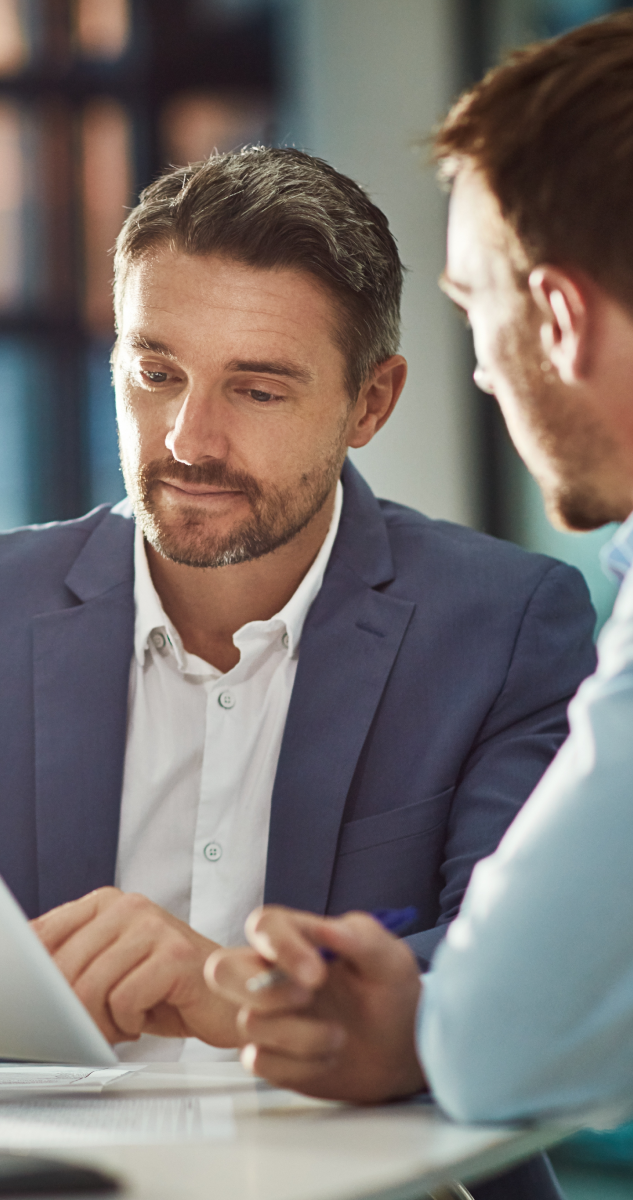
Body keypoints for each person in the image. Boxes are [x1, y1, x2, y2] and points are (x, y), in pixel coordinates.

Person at [0, 149, 594, 1136]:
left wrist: (232, 992)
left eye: (257, 390)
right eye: (156, 373)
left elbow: (528, 973)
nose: (190, 438)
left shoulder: (506, 623)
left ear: (371, 401)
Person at [207, 9, 633, 1129]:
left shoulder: (513, 617)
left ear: (557, 315)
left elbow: (504, 1036)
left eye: (474, 312)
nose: (487, 377)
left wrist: (409, 1017)